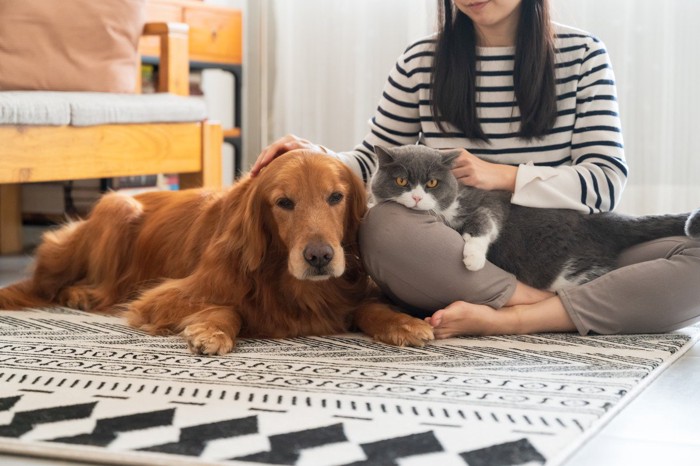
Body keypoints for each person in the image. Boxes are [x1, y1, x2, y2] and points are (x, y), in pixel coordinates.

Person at [252, 0, 700, 338]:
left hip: (566, 250)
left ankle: (518, 318)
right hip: (452, 257)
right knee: (383, 226)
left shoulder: (582, 55)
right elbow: (372, 159)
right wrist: (319, 155)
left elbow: (605, 182)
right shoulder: (420, 61)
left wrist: (502, 176)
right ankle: (569, 305)